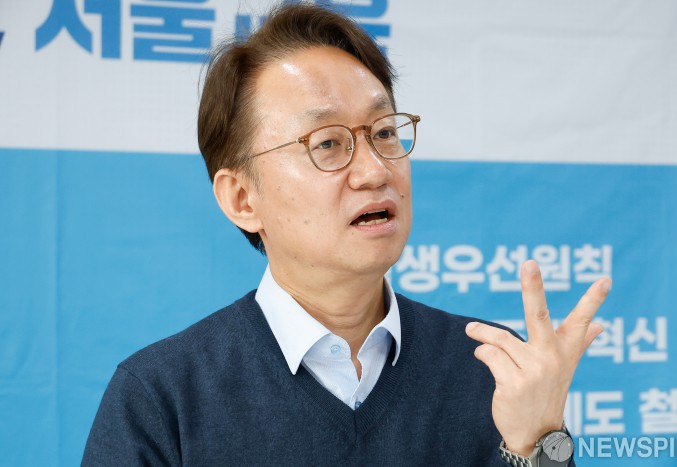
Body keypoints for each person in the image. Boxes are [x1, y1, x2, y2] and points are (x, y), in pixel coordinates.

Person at [82, 3, 610, 466]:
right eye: (328, 143)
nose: (375, 171)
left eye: (384, 132)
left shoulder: (491, 368)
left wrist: (537, 444)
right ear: (242, 199)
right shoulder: (162, 397)